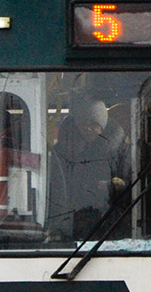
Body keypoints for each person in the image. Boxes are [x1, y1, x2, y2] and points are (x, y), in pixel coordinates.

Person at [48, 100, 130, 239]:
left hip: (108, 220)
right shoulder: (59, 153)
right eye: (84, 123)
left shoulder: (119, 152)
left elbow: (131, 186)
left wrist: (116, 186)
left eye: (94, 124)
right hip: (69, 222)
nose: (88, 128)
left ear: (103, 127)